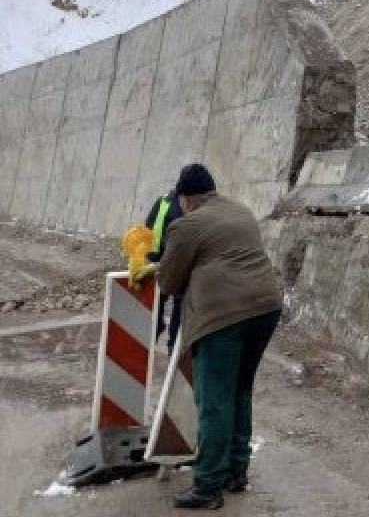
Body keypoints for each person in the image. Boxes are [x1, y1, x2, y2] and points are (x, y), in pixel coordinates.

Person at [150, 164, 284, 510]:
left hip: (222, 317)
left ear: (185, 198)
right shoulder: (240, 212)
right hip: (266, 309)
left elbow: (168, 282)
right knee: (240, 390)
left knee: (214, 400)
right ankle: (236, 471)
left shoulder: (186, 225)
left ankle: (208, 485)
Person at [144, 189, 183, 352]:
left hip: (159, 259)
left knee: (159, 299)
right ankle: (173, 344)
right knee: (178, 302)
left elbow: (148, 226)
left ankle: (156, 332)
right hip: (174, 262)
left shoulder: (163, 201)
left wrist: (150, 256)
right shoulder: (187, 206)